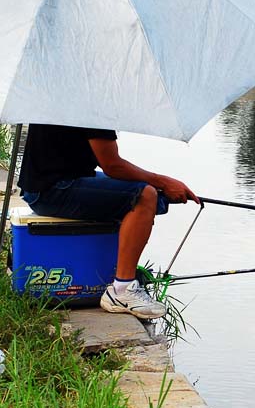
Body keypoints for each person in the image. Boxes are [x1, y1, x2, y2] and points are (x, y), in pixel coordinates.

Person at [17, 124, 198, 319]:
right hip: (53, 191)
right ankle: (122, 290)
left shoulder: (69, 94)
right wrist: (162, 182)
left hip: (40, 187)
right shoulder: (95, 104)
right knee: (144, 195)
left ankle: (121, 277)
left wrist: (160, 190)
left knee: (148, 193)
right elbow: (112, 166)